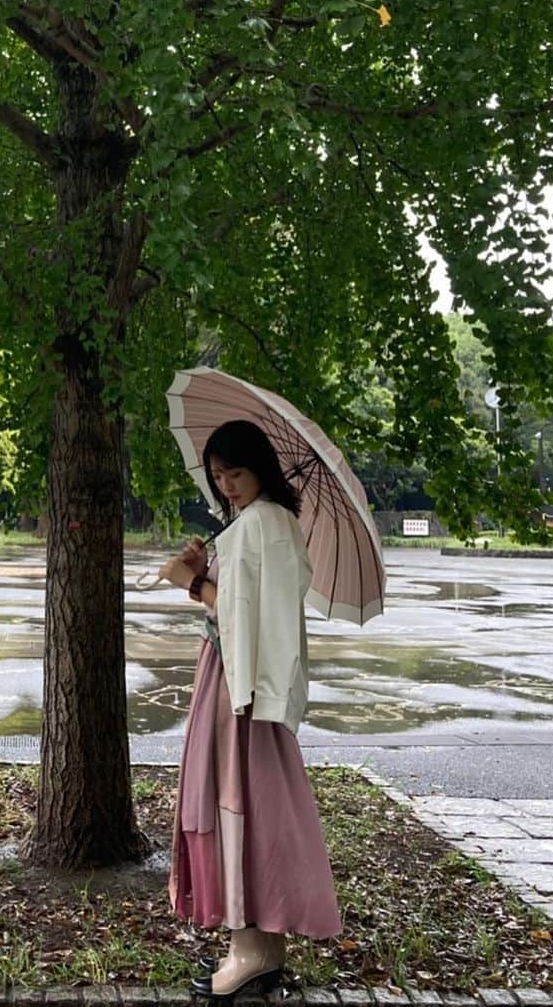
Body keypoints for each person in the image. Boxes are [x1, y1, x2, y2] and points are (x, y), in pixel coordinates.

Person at [156, 418, 341, 1003]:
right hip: (237, 679)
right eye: (217, 477)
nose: (227, 485)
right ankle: (259, 949)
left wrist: (193, 584)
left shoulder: (264, 524)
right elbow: (245, 604)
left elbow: (245, 616)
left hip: (241, 688)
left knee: (236, 801)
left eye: (234, 472)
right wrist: (208, 570)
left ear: (259, 466)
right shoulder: (257, 524)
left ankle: (251, 950)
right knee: (249, 801)